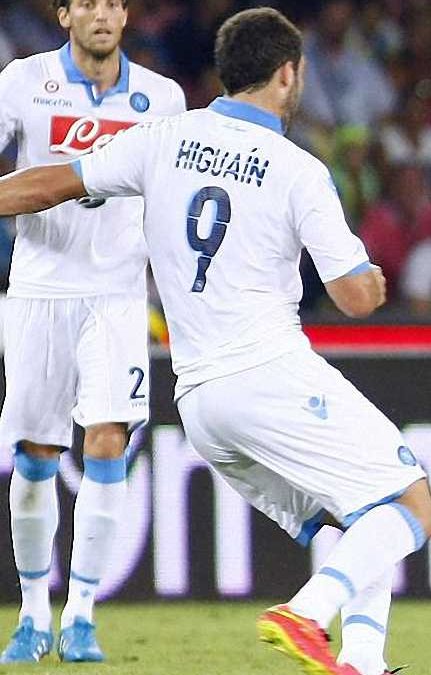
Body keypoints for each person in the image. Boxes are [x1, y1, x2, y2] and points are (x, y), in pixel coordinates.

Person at [0, 8, 431, 675]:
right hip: (270, 373)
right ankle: (306, 612)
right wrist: (371, 282)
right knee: (413, 503)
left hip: (203, 405)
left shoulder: (162, 138)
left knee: (364, 517)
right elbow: (353, 297)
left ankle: (362, 662)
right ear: (288, 74)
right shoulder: (298, 170)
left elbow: (48, 185)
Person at [0, 0, 186, 663]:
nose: (101, 14)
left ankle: (80, 613)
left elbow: (171, 199)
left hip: (117, 295)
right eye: (87, 3)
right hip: (39, 291)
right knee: (36, 455)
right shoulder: (24, 81)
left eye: (112, 3)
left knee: (108, 440)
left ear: (125, 16)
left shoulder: (162, 99)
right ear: (64, 15)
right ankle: (32, 614)